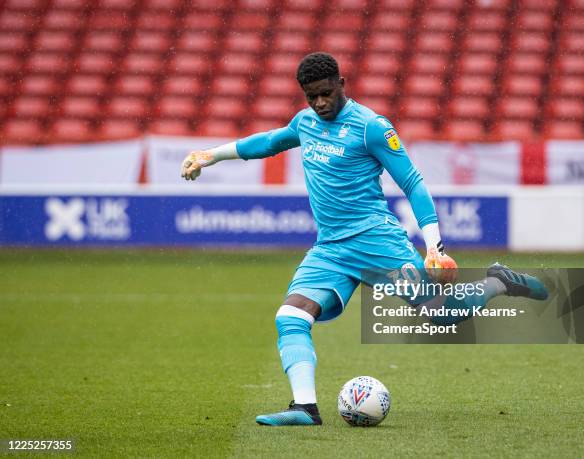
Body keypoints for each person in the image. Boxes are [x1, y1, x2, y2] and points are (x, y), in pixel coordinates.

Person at [180, 52, 547, 426]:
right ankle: (304, 408)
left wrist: (434, 245)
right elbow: (270, 142)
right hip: (330, 249)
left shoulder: (371, 126)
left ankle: (498, 281)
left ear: (341, 84)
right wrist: (211, 155)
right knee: (290, 316)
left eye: (325, 93)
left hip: (375, 241)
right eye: (311, 96)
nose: (320, 103)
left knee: (442, 313)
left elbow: (413, 182)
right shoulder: (305, 122)